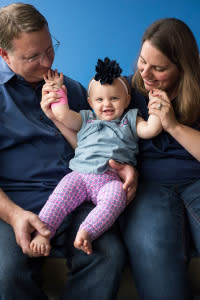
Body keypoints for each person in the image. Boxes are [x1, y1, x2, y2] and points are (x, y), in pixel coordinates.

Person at [0, 3, 135, 299]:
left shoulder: (74, 90)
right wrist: (13, 215)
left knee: (108, 255)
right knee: (6, 273)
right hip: (15, 203)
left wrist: (127, 167)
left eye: (50, 49)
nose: (47, 62)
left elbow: (110, 138)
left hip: (79, 194)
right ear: (4, 55)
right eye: (33, 56)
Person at [30, 58, 162, 256]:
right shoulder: (86, 119)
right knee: (58, 199)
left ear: (127, 100)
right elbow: (61, 114)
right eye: (100, 100)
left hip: (110, 179)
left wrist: (157, 107)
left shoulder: (130, 119)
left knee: (117, 198)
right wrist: (56, 89)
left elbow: (150, 130)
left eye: (114, 99)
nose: (106, 104)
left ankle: (87, 231)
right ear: (91, 103)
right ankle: (43, 233)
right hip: (80, 175)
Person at [119, 18, 200, 300]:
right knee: (152, 247)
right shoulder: (126, 91)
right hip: (149, 186)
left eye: (159, 68)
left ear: (183, 68)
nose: (146, 74)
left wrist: (174, 125)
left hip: (197, 180)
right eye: (142, 62)